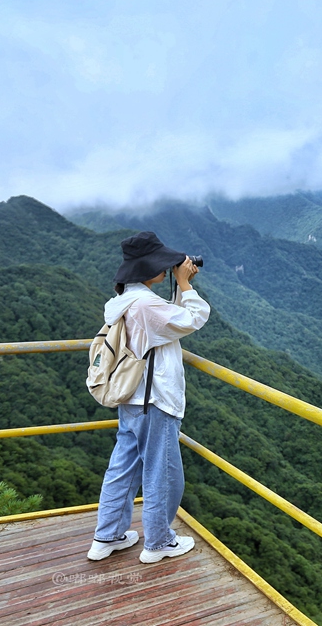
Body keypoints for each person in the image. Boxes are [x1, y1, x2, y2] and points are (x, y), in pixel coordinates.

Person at [87, 231, 211, 563]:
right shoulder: (145, 306)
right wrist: (185, 284)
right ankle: (158, 542)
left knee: (124, 465)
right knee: (162, 470)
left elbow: (163, 321)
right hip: (154, 401)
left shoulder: (126, 301)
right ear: (146, 269)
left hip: (131, 399)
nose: (168, 266)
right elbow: (195, 318)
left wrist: (176, 286)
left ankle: (107, 536)